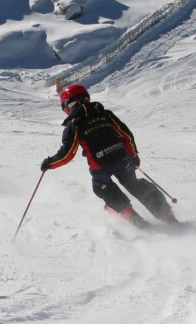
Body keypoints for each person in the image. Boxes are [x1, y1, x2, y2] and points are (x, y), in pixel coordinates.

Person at [40, 84, 179, 227]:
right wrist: (133, 156)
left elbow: (67, 154)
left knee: (101, 186)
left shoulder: (74, 124)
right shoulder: (106, 114)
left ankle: (130, 216)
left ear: (67, 106)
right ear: (87, 97)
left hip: (100, 166)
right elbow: (126, 136)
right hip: (122, 158)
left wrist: (49, 163)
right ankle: (167, 216)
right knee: (133, 183)